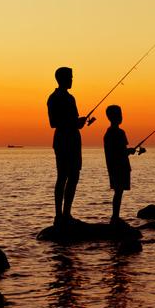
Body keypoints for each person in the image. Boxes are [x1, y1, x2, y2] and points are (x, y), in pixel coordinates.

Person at [47, 67, 87, 225]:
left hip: (74, 139)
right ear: (62, 79)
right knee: (62, 176)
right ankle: (59, 215)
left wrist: (80, 123)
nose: (72, 80)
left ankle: (67, 214)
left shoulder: (71, 98)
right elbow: (53, 123)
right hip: (63, 140)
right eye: (70, 77)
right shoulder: (54, 98)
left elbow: (75, 123)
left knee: (74, 176)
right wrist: (74, 123)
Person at [104, 105, 145, 224]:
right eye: (119, 114)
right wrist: (129, 151)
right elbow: (120, 151)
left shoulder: (108, 133)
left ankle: (115, 216)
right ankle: (115, 217)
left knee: (118, 191)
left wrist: (128, 151)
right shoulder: (119, 132)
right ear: (115, 117)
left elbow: (118, 150)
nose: (121, 117)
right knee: (119, 191)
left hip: (114, 166)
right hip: (120, 166)